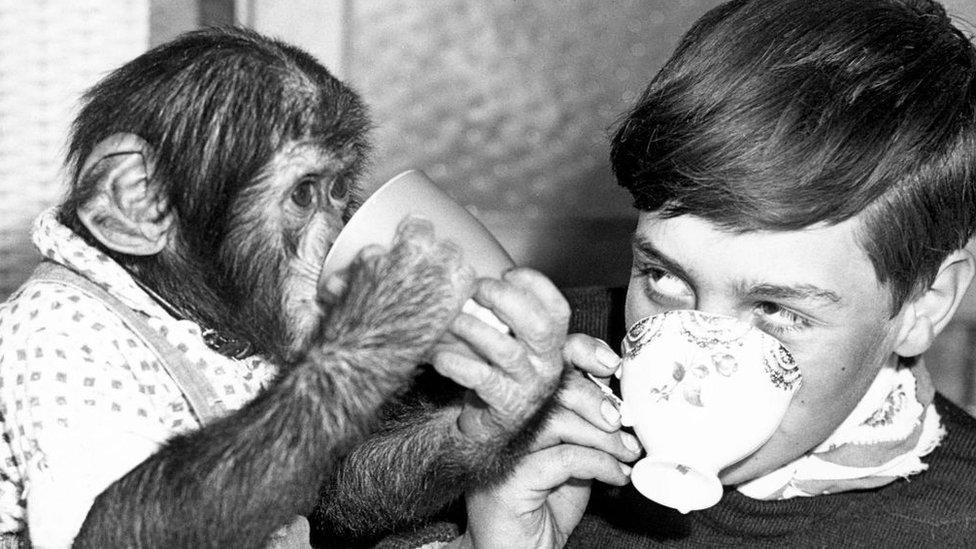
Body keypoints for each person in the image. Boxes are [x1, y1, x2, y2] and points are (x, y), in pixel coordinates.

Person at [447, 0, 976, 546]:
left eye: (774, 309)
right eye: (664, 278)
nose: (694, 375)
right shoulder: (515, 393)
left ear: (925, 304)